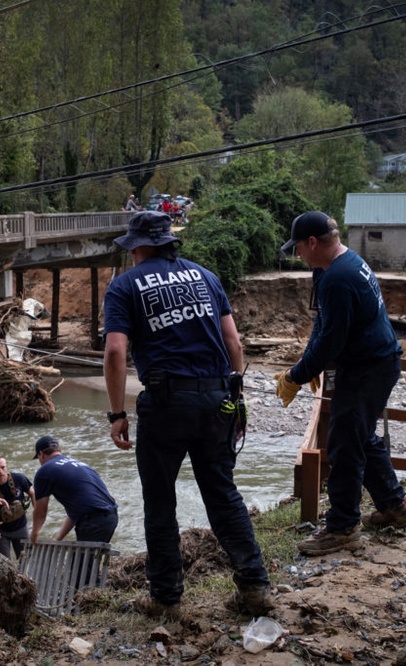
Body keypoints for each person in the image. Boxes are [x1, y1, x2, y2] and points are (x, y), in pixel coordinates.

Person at [102, 210, 273, 619]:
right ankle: (254, 587)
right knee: (223, 494)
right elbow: (233, 343)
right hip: (218, 399)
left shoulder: (124, 286)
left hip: (166, 404)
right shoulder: (206, 277)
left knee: (160, 500)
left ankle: (166, 597)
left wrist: (116, 413)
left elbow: (114, 352)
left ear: (138, 247)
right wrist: (237, 399)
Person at [276, 210, 406, 557]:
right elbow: (322, 327)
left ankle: (342, 527)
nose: (298, 255)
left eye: (298, 248)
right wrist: (306, 368)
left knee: (344, 445)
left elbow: (331, 340)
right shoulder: (337, 266)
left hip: (369, 368)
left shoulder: (338, 278)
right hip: (374, 362)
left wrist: (296, 375)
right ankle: (393, 507)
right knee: (361, 437)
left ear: (312, 242)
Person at [29, 435, 118, 544]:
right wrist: (58, 539)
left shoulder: (45, 471)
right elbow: (74, 514)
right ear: (58, 450)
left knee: (82, 561)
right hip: (110, 517)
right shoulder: (80, 464)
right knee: (88, 559)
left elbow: (40, 511)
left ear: (40, 454)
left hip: (93, 520)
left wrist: (33, 537)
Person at [0, 454, 35, 560]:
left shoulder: (19, 478)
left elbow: (33, 493)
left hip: (21, 528)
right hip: (0, 533)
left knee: (26, 561)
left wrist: (37, 514)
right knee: (5, 564)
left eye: (2, 467)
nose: (0, 471)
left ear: (6, 467)